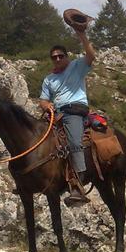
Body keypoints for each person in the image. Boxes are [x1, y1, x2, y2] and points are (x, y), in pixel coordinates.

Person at [38, 28, 96, 206]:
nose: (57, 59)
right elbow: (42, 100)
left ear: (66, 56)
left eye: (60, 56)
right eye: (54, 57)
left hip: (74, 110)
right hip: (57, 112)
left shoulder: (77, 66)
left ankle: (78, 184)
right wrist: (47, 105)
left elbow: (91, 55)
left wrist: (81, 34)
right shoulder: (49, 79)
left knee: (73, 143)